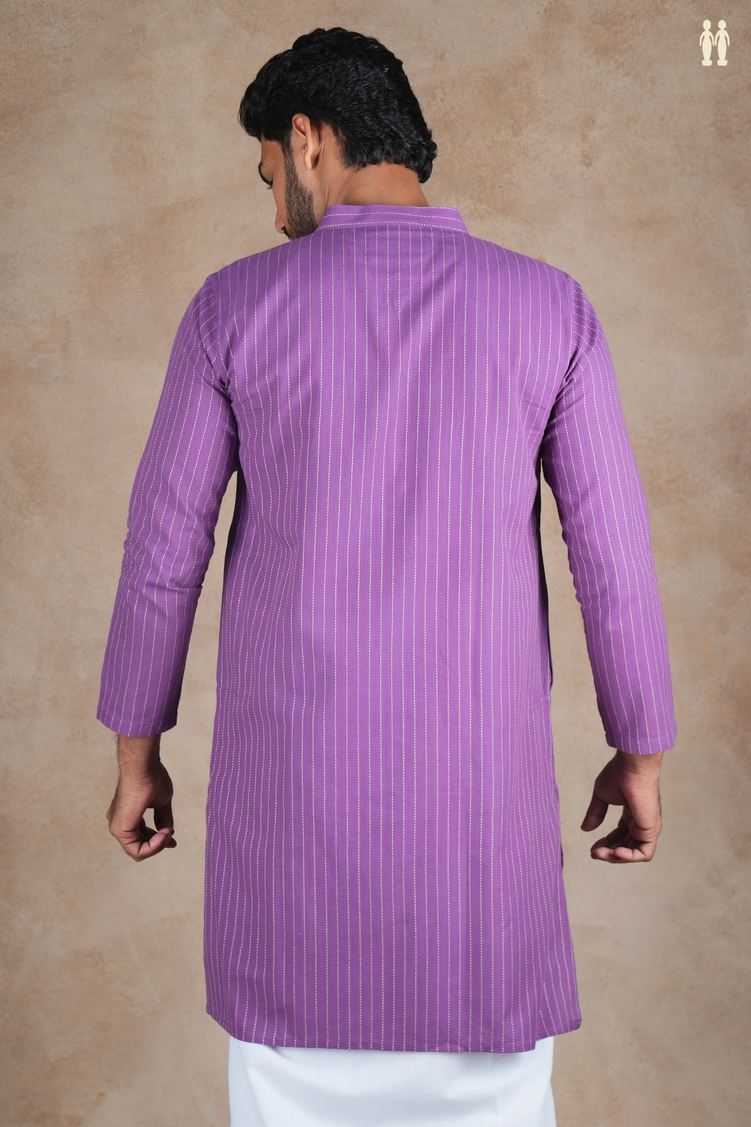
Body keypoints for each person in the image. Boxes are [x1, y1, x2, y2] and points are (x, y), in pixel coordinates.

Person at [99, 27, 676, 1127]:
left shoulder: (231, 309)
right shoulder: (550, 307)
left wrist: (137, 755)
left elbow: (163, 549)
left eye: (269, 174)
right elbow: (613, 555)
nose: (276, 210)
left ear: (308, 140)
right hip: (480, 872)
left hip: (292, 867)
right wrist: (638, 750)